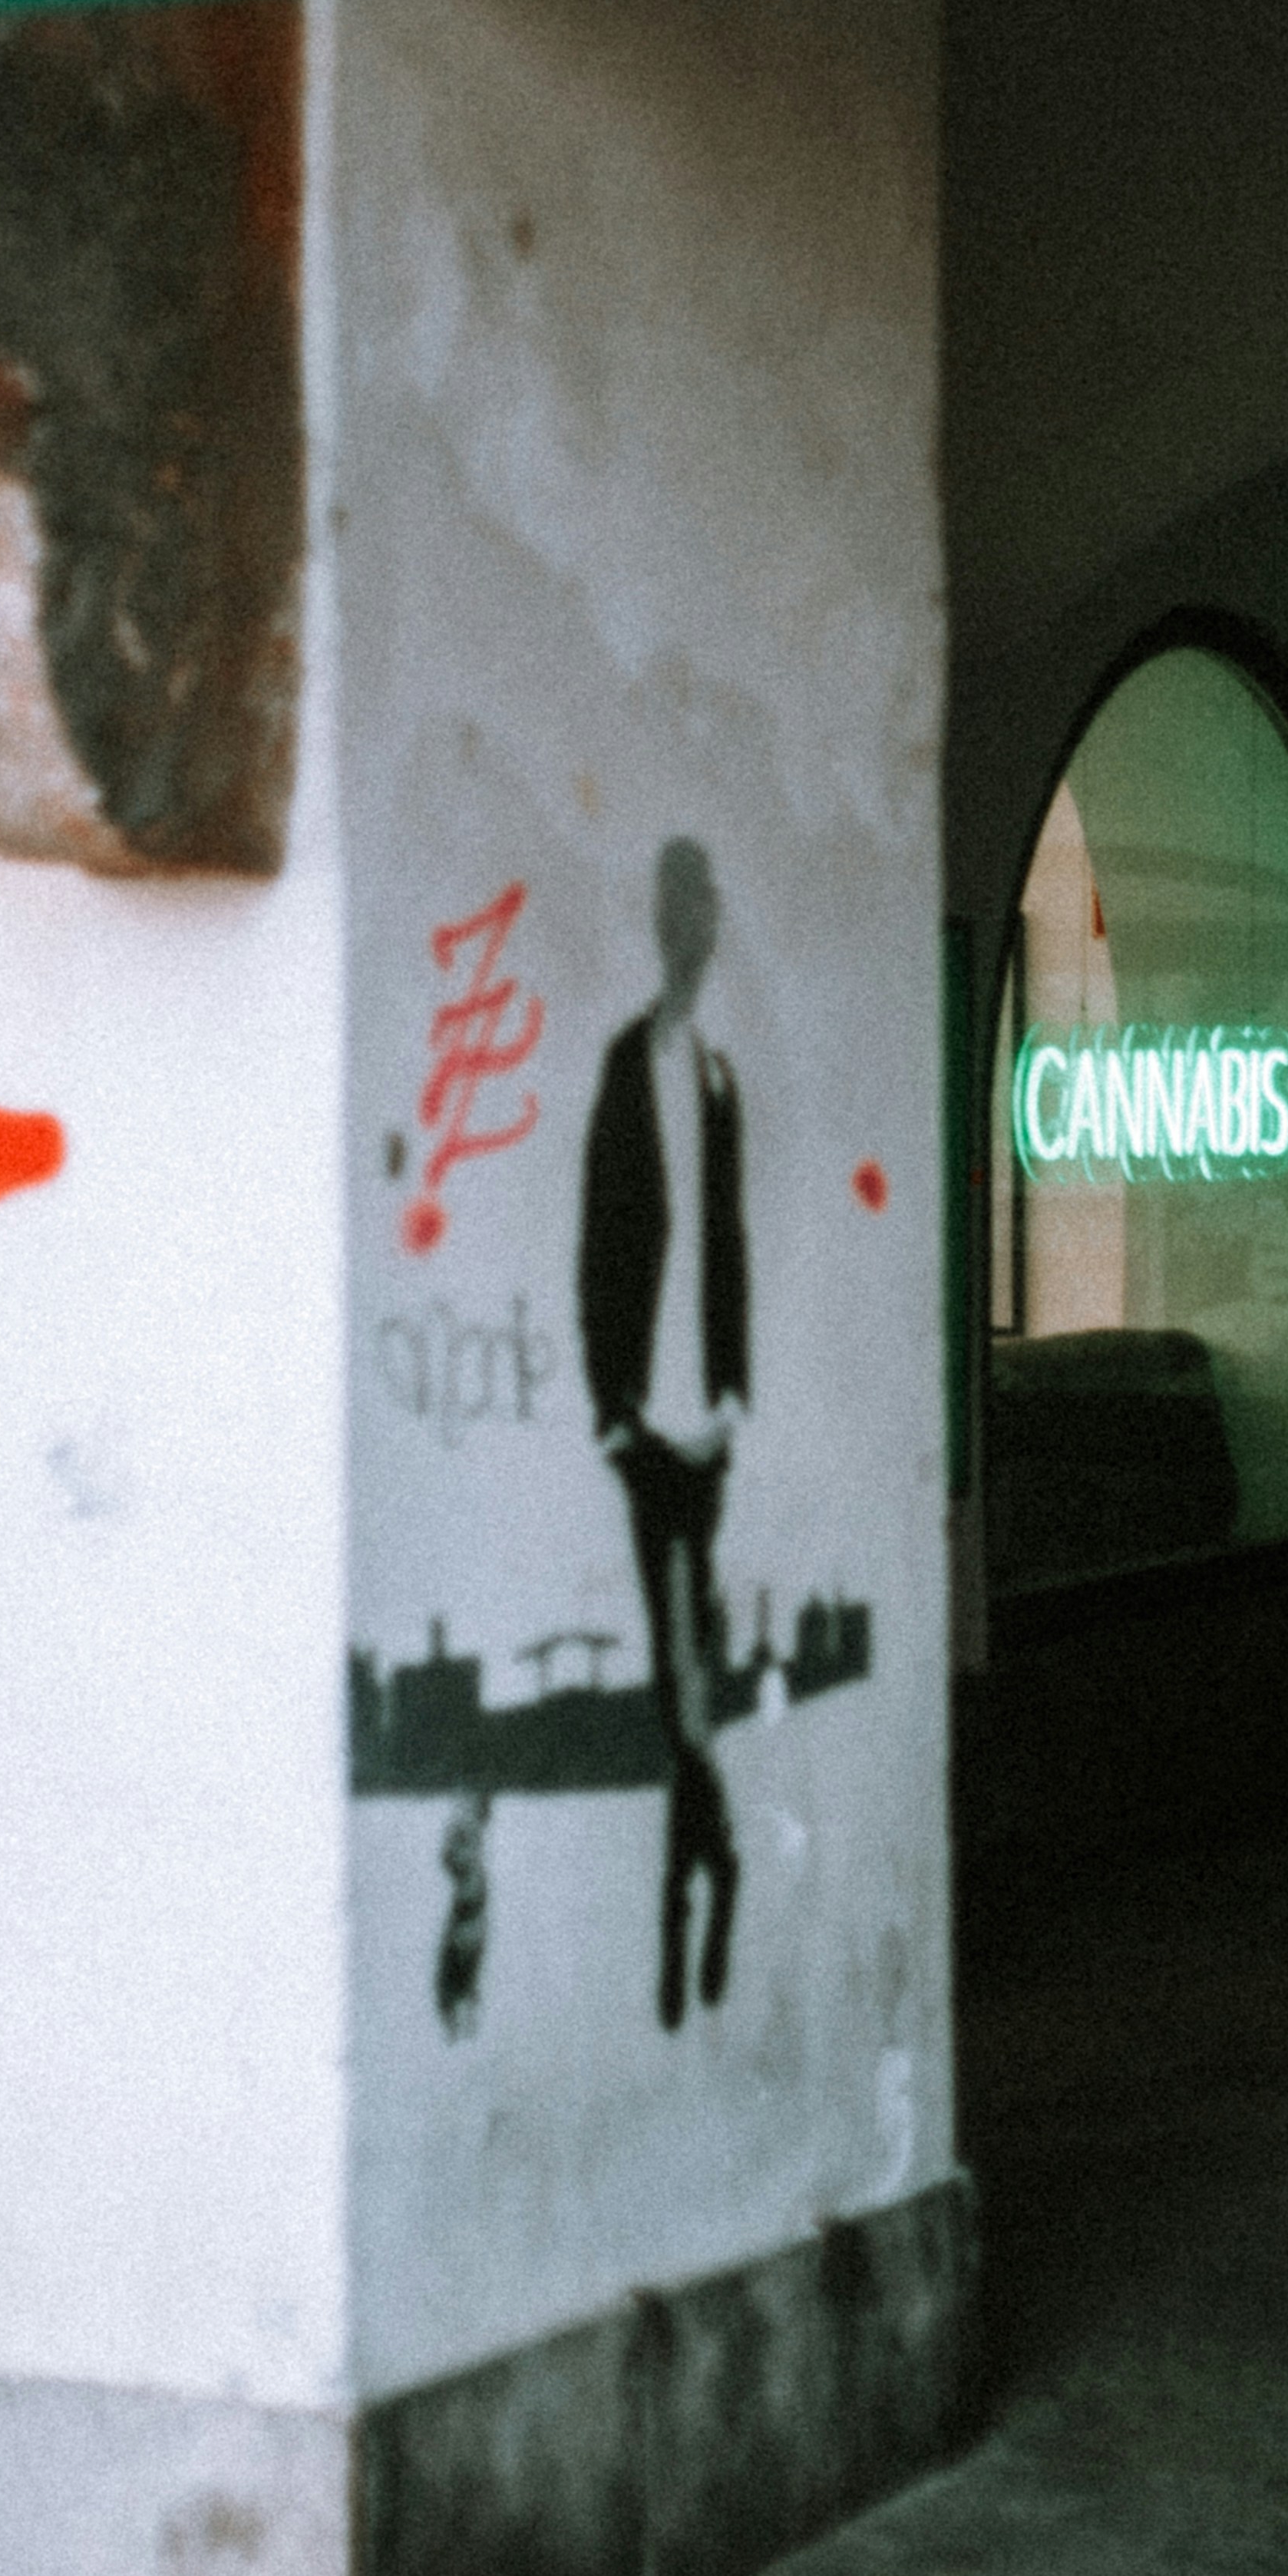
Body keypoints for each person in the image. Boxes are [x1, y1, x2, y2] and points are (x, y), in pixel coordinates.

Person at [576, 838, 748, 2029]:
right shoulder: (625, 1065)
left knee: (690, 1654)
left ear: (713, 924)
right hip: (648, 1422)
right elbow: (601, 1241)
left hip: (709, 1422)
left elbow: (727, 1242)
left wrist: (736, 1389)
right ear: (658, 924)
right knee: (675, 1656)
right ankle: (703, 1875)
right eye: (672, 907)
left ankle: (699, 1875)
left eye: (702, 907)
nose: (688, 926)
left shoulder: (723, 1081)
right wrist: (609, 1410)